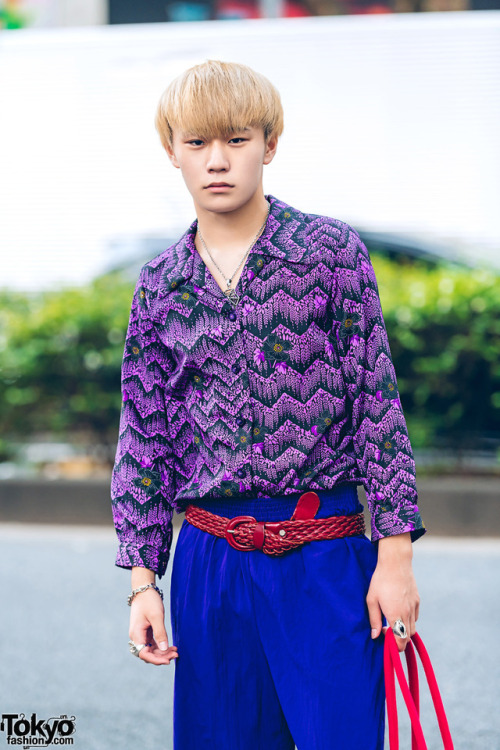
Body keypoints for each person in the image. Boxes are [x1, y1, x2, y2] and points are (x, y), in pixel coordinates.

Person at [111, 59, 426, 749]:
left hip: (324, 550)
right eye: (197, 143)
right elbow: (144, 439)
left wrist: (394, 556)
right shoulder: (160, 285)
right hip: (209, 559)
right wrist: (143, 581)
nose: (217, 160)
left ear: (270, 144)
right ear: (172, 150)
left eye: (237, 139)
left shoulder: (329, 252)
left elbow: (376, 400)